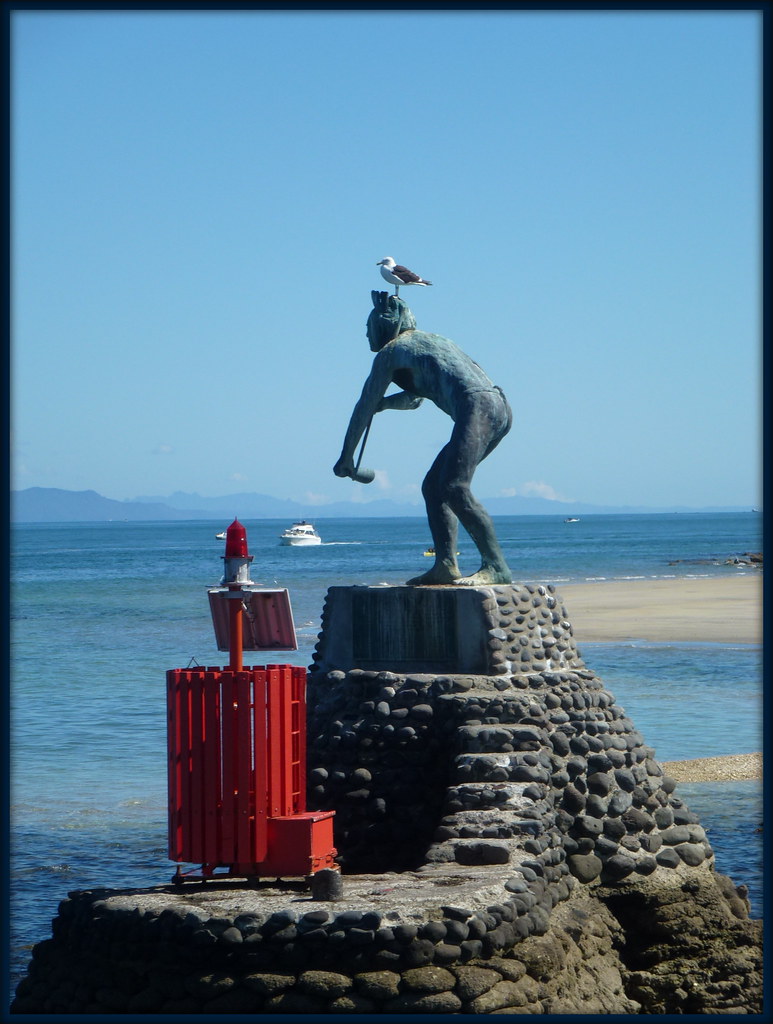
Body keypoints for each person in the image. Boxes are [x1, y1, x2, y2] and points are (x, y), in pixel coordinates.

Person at [334, 291, 513, 585]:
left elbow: (363, 406)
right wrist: (384, 404)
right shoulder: (434, 341)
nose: (366, 335)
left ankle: (496, 567)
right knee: (434, 487)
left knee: (455, 487)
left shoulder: (391, 352)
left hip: (477, 407)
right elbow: (415, 398)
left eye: (368, 328)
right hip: (497, 407)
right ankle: (445, 565)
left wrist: (346, 457)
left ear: (384, 325)